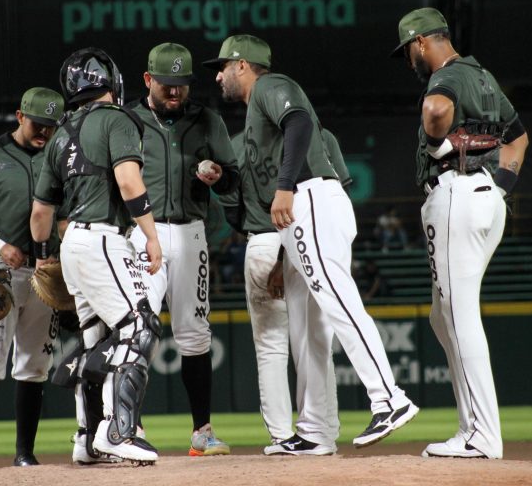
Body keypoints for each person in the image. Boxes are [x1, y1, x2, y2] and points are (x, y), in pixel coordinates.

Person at [205, 35, 419, 454]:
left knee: (338, 301)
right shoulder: (253, 117)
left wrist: (286, 187)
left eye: (223, 66)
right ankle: (316, 430)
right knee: (308, 330)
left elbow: (300, 122)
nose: (218, 74)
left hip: (310, 199)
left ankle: (389, 398)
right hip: (296, 216)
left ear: (244, 66)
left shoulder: (271, 86)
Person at [391, 7, 530, 459]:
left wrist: (435, 141)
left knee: (457, 314)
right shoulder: (483, 76)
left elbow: (435, 109)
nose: (410, 58)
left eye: (409, 49)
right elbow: (518, 138)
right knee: (442, 314)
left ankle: (481, 435)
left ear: (421, 42)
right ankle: (473, 427)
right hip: (486, 197)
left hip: (457, 193)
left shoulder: (445, 77)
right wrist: (499, 188)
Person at [30, 47, 163, 464]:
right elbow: (128, 181)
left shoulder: (60, 136)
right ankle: (119, 432)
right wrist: (152, 236)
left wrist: (41, 258)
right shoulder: (119, 119)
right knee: (139, 328)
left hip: (71, 246)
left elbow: (40, 213)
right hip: (104, 240)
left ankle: (87, 439)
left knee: (97, 336)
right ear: (110, 82)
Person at [125, 42, 239, 456]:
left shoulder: (207, 121)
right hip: (141, 234)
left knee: (195, 335)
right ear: (148, 80)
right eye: (167, 85)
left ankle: (202, 433)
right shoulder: (129, 120)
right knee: (136, 330)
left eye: (183, 85)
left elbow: (233, 182)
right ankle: (127, 427)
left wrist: (219, 176)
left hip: (192, 232)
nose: (175, 92)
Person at [219, 128, 350, 454]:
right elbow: (340, 191)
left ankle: (281, 435)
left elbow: (231, 209)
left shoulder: (238, 143)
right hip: (314, 236)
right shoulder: (320, 135)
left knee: (271, 348)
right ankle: (324, 432)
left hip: (263, 239)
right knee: (318, 340)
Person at [0, 87, 65, 466]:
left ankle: (25, 454)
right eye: (39, 124)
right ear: (20, 116)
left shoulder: (57, 158)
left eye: (51, 127)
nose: (44, 133)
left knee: (35, 365)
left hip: (45, 274)